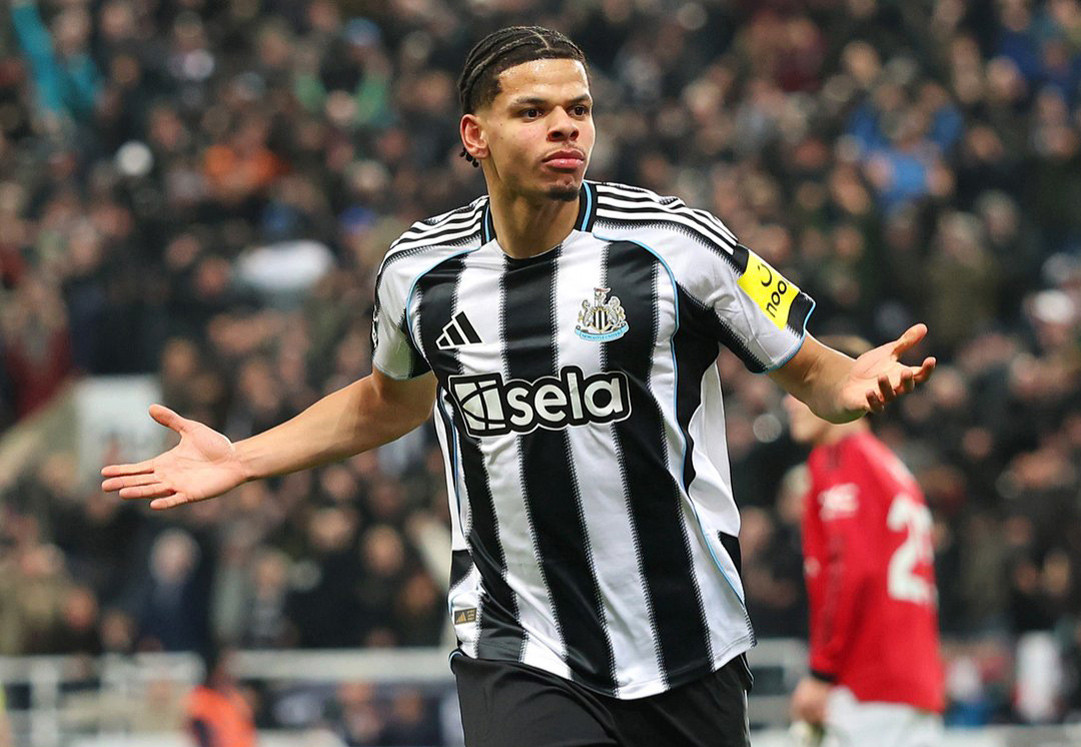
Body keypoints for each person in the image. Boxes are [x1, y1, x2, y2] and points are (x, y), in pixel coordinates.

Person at [102, 26, 935, 747]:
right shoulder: (419, 273)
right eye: (533, 111)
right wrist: (242, 458)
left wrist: (853, 381)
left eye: (578, 109)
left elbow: (813, 373)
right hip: (518, 641)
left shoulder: (675, 245)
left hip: (687, 638)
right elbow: (388, 400)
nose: (565, 126)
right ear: (476, 134)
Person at [786, 336, 945, 747]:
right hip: (912, 682)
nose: (789, 402)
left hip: (864, 685)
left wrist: (821, 672)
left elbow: (849, 572)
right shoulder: (889, 465)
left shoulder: (840, 461)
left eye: (799, 386)